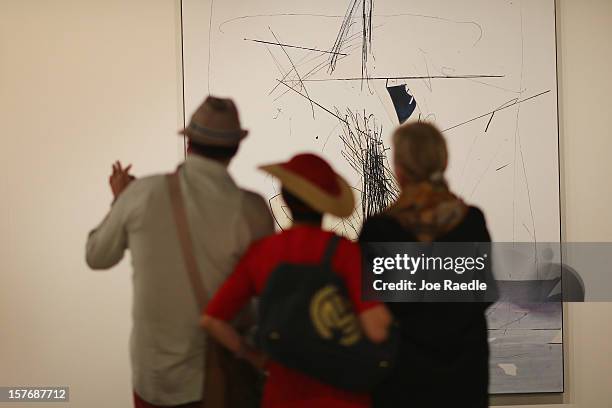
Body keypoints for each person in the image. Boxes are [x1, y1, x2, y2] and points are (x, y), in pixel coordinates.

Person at [86, 96, 274, 408]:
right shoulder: (251, 210)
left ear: (189, 143)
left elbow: (97, 255)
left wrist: (121, 199)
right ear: (235, 149)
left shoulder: (140, 195)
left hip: (154, 379)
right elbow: (264, 292)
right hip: (219, 379)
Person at [201, 153, 392, 408]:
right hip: (344, 399)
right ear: (326, 204)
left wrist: (255, 357)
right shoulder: (346, 253)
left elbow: (212, 320)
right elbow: (377, 329)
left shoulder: (262, 253)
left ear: (285, 197)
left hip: (283, 397)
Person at [359, 122, 493, 408]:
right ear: (443, 162)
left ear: (399, 170)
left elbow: (373, 315)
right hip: (464, 380)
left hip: (401, 382)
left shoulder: (380, 230)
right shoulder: (471, 223)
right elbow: (484, 295)